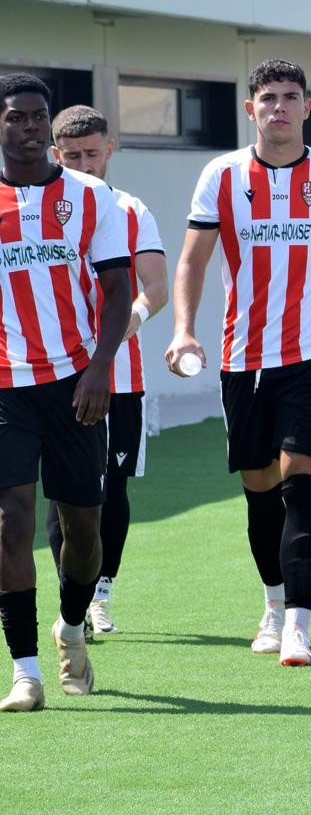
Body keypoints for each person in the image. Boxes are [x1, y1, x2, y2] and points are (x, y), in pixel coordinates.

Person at [164, 58, 311, 667]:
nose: (279, 108)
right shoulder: (222, 175)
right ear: (250, 108)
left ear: (307, 108)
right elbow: (191, 262)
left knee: (302, 484)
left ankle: (298, 624)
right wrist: (184, 330)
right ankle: (272, 601)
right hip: (242, 358)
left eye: (291, 97)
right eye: (268, 98)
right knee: (260, 491)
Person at [0, 73, 132, 711]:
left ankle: (72, 625)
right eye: (16, 117)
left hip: (76, 381)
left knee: (83, 530)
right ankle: (25, 671)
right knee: (11, 522)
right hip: (5, 387)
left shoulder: (90, 197)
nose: (28, 128)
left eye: (37, 117)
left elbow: (116, 290)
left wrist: (102, 367)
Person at [44, 105, 168, 636]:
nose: (84, 164)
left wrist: (129, 322)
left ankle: (101, 593)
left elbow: (155, 285)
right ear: (56, 154)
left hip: (122, 378)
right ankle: (70, 593)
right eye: (72, 156)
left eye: (92, 154)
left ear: (110, 150)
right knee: (61, 492)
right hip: (54, 376)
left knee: (111, 488)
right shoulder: (40, 207)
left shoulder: (131, 209)